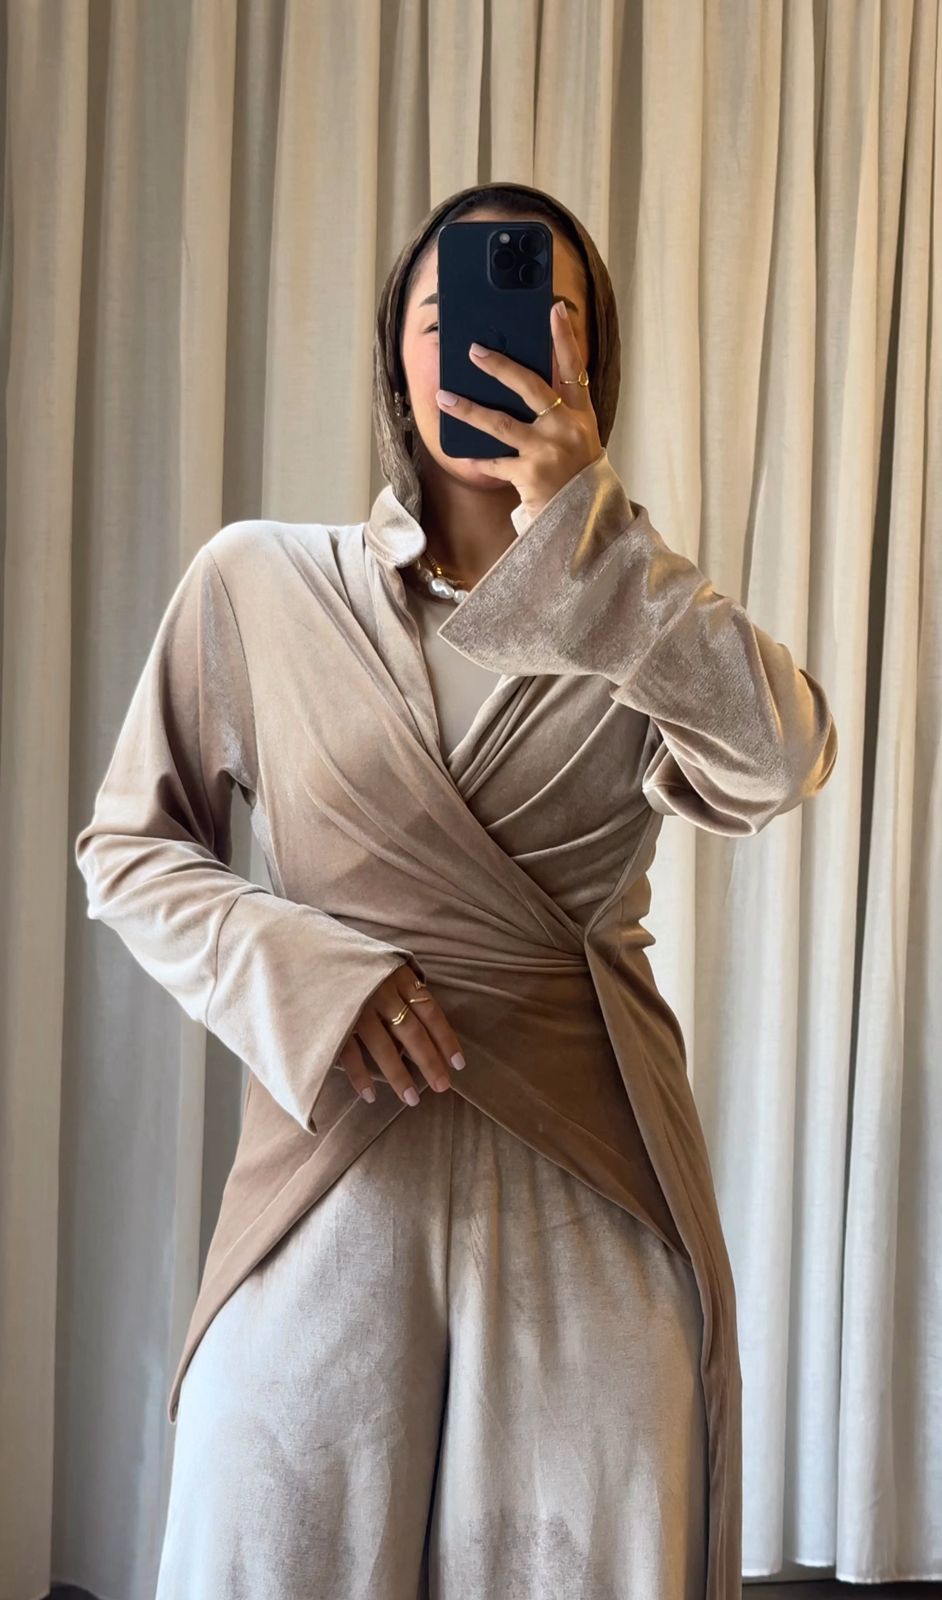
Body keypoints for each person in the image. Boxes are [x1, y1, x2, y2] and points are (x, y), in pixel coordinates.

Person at [74, 181, 838, 1599]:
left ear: (588, 362)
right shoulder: (260, 582)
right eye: (442, 321)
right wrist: (310, 971)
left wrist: (595, 548)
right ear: (394, 354)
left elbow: (783, 760)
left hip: (590, 1170)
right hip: (331, 1166)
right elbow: (129, 848)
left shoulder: (642, 616)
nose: (480, 350)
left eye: (540, 319)